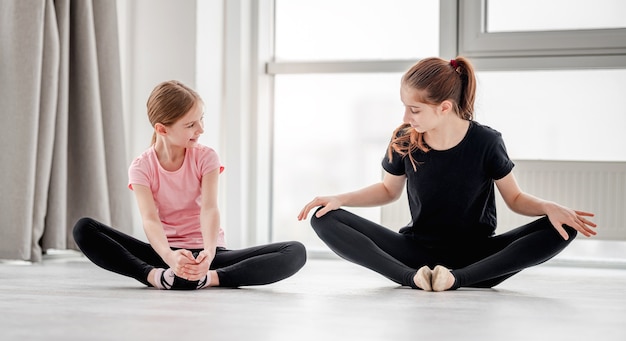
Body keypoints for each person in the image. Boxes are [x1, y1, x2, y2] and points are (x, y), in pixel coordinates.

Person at [298, 56, 597, 292]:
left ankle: (457, 280)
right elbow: (388, 191)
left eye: (414, 109)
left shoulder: (486, 142)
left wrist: (549, 207)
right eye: (404, 107)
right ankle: (410, 278)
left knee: (564, 226)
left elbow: (515, 198)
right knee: (324, 216)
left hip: (478, 259)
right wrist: (339, 198)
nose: (405, 117)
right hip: (416, 254)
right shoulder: (404, 138)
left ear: (443, 108)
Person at [74, 80, 306, 290]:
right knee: (84, 228)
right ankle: (154, 276)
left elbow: (209, 208)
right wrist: (169, 256)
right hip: (163, 254)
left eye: (201, 119)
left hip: (209, 254)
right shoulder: (141, 167)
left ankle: (208, 279)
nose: (201, 129)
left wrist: (208, 253)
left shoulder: (206, 157)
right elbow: (150, 219)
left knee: (295, 251)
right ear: (162, 129)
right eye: (191, 125)